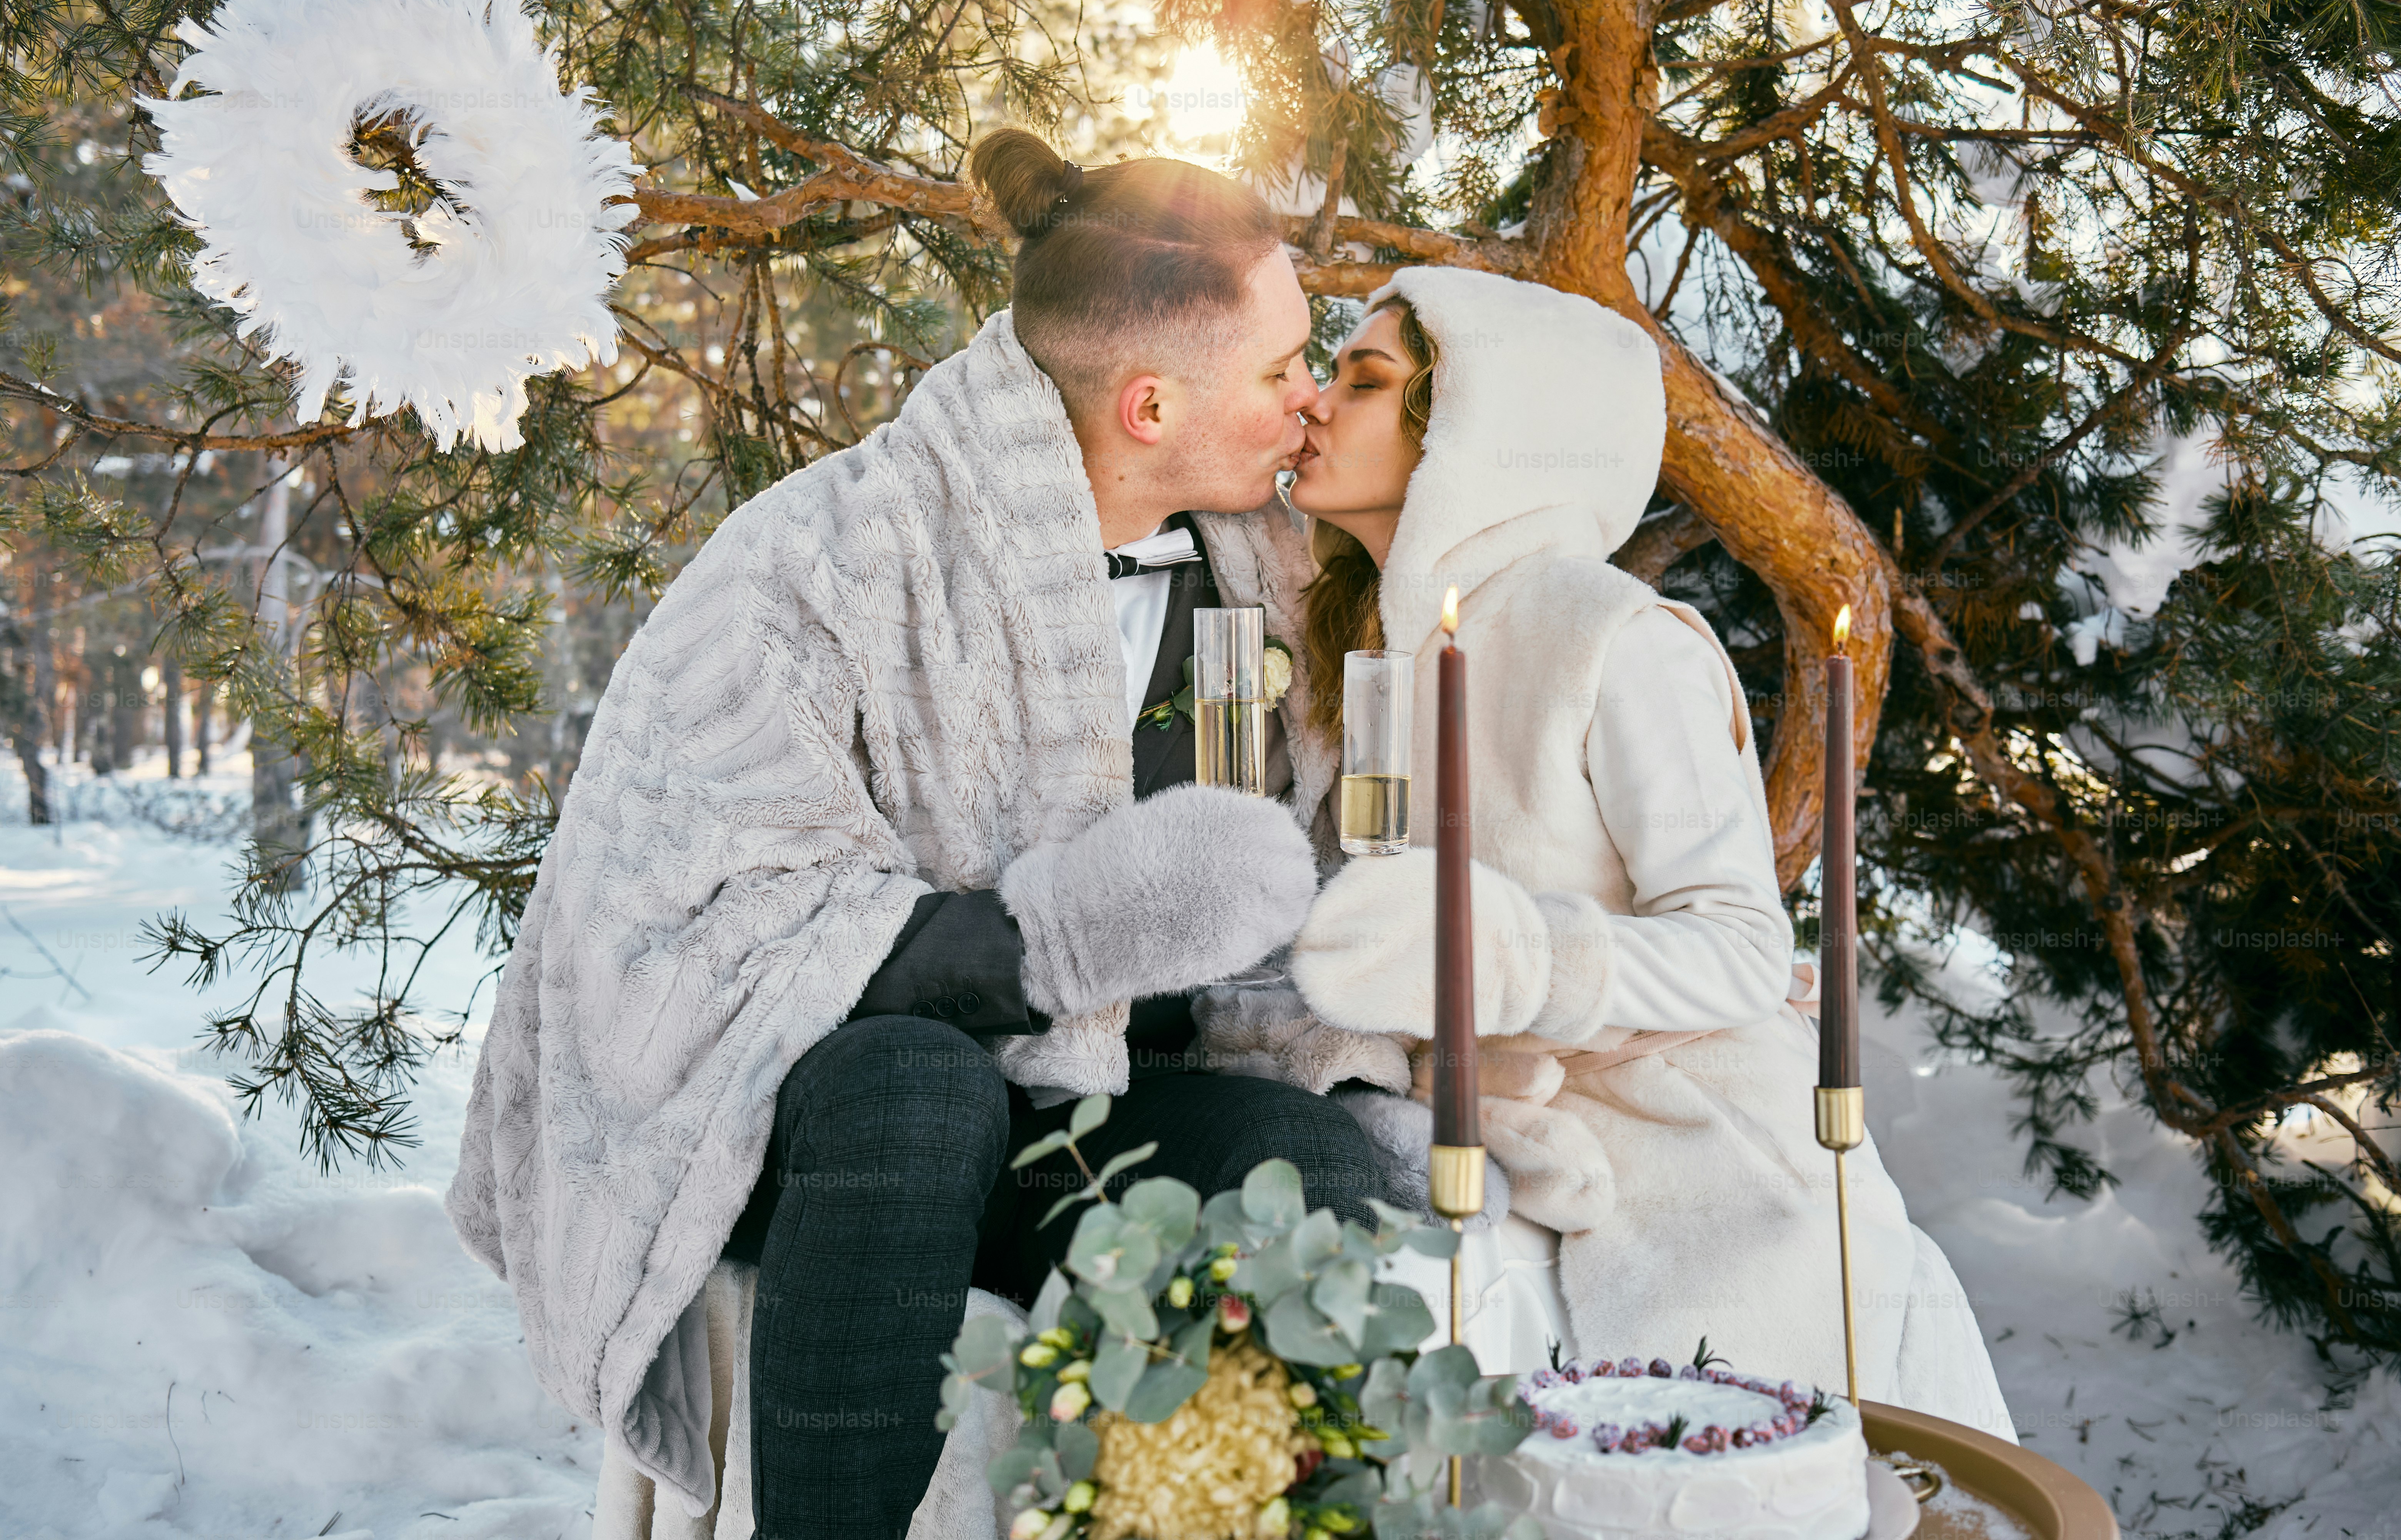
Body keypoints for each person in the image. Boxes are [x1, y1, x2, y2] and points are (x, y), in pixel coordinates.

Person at [445, 129, 1391, 1539]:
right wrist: (1052, 937)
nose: (1308, 400)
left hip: (1083, 1120)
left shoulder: (1260, 579)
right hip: (813, 1137)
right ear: (1147, 406)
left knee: (1306, 1168)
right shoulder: (822, 557)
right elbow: (693, 902)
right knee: (920, 1089)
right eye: (1281, 370)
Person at [1264, 264, 2014, 1435]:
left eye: (1363, 380)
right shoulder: (1357, 647)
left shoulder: (1612, 637)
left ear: (1477, 430)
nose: (1311, 400)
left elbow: (1737, 950)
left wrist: (1522, 962)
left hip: (1703, 1156)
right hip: (1489, 1135)